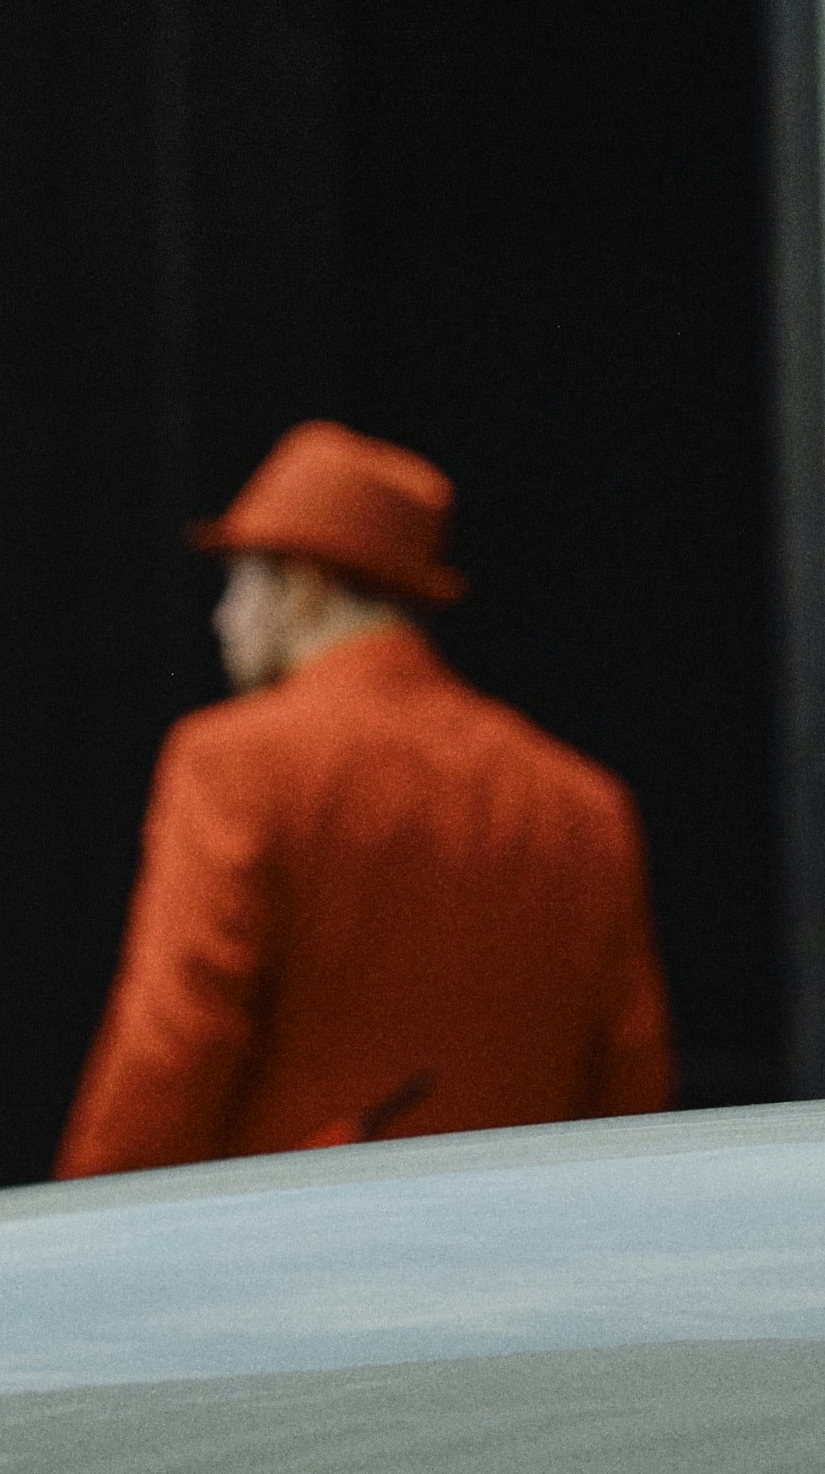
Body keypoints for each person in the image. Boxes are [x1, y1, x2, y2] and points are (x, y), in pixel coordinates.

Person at [56, 421, 672, 1177]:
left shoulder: (234, 762)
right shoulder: (583, 802)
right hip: (521, 1271)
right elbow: (631, 1086)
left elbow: (175, 1041)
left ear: (307, 585)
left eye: (239, 582)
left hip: (298, 1267)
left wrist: (85, 1239)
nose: (223, 619)